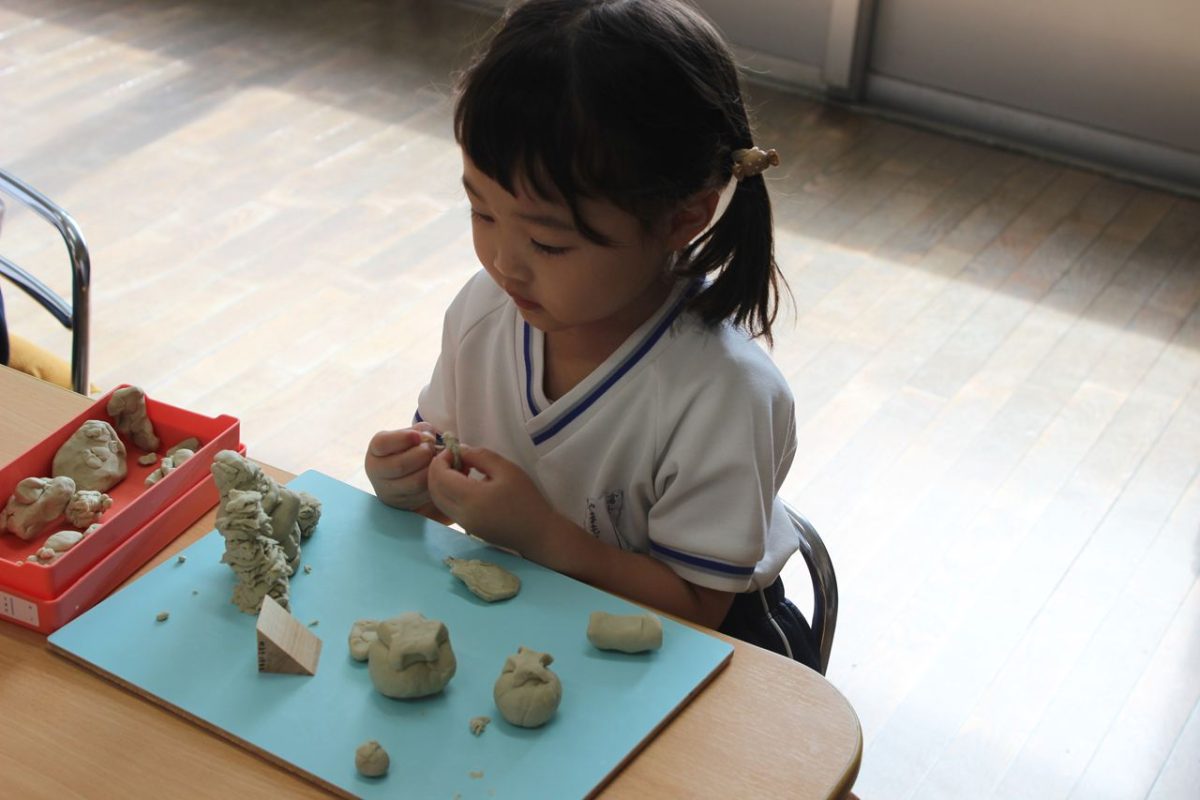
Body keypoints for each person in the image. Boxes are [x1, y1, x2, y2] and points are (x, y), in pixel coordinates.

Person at [365, 0, 819, 669]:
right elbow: (450, 472)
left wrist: (541, 535)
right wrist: (410, 482)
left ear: (683, 218)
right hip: (537, 619)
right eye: (481, 212)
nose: (503, 262)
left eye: (548, 242)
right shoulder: (486, 311)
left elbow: (697, 609)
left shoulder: (723, 392)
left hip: (703, 654)